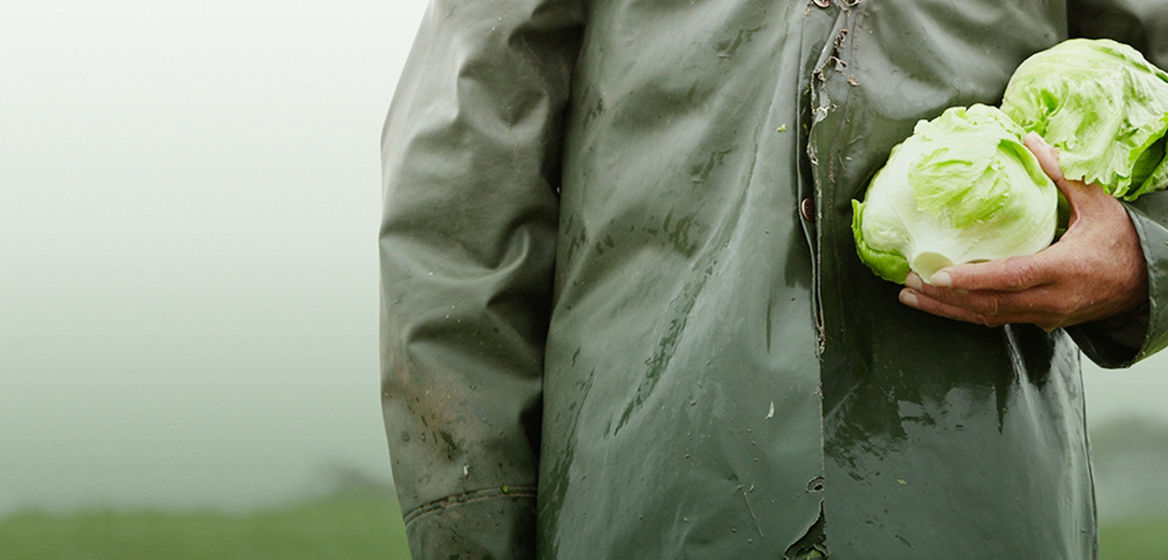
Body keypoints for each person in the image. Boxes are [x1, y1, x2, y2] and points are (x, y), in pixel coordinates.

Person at [379, 1, 1168, 557]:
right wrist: (472, 532)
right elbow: (459, 213)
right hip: (654, 497)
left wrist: (1144, 256)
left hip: (982, 495)